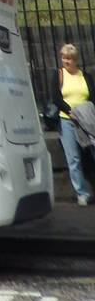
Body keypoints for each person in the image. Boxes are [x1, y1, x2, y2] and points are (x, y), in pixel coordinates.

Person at [54, 44, 94, 205]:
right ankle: (82, 193)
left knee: (91, 155)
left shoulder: (85, 76)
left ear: (75, 60)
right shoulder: (59, 75)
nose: (66, 61)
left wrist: (85, 112)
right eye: (64, 58)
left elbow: (92, 96)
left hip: (86, 120)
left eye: (69, 58)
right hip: (67, 120)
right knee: (74, 158)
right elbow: (56, 97)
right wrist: (69, 111)